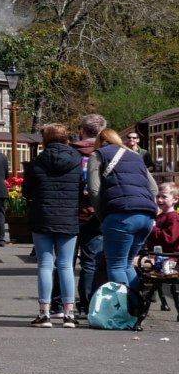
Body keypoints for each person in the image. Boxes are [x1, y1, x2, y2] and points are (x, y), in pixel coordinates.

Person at [23, 124, 83, 326]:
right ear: (67, 139)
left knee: (45, 265)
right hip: (68, 218)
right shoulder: (77, 161)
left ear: (45, 141)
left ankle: (44, 313)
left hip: (42, 218)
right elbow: (82, 189)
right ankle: (69, 315)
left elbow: (26, 192)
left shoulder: (37, 162)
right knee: (66, 266)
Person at [92, 126, 158, 301]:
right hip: (146, 217)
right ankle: (138, 304)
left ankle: (125, 310)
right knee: (127, 264)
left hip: (121, 215)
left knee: (115, 265)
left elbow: (93, 189)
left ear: (100, 141)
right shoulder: (135, 156)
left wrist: (102, 216)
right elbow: (154, 188)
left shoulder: (99, 154)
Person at [73, 113, 108, 316]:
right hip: (96, 214)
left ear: (82, 130)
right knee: (91, 262)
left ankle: (60, 304)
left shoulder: (71, 153)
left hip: (71, 213)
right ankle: (87, 304)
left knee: (64, 262)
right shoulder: (106, 154)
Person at [136, 179, 179, 316]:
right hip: (157, 255)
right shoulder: (161, 216)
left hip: (169, 259)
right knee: (131, 261)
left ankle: (137, 299)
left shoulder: (173, 218)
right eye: (158, 196)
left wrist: (153, 228)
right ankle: (140, 295)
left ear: (175, 199)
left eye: (164, 197)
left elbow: (169, 238)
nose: (159, 199)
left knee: (130, 263)